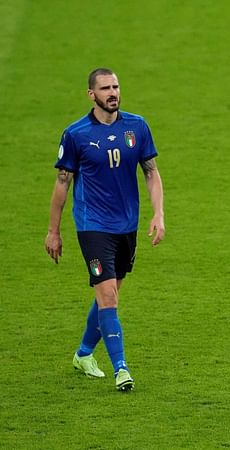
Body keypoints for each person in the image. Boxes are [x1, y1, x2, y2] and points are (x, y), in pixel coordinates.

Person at [45, 68, 165, 392]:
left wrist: (159, 213)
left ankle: (83, 354)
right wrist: (53, 231)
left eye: (116, 86)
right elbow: (62, 184)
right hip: (92, 225)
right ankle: (121, 369)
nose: (113, 92)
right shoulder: (76, 134)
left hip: (127, 225)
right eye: (105, 88)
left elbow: (151, 172)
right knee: (108, 295)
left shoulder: (137, 127)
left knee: (109, 295)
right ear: (91, 94)